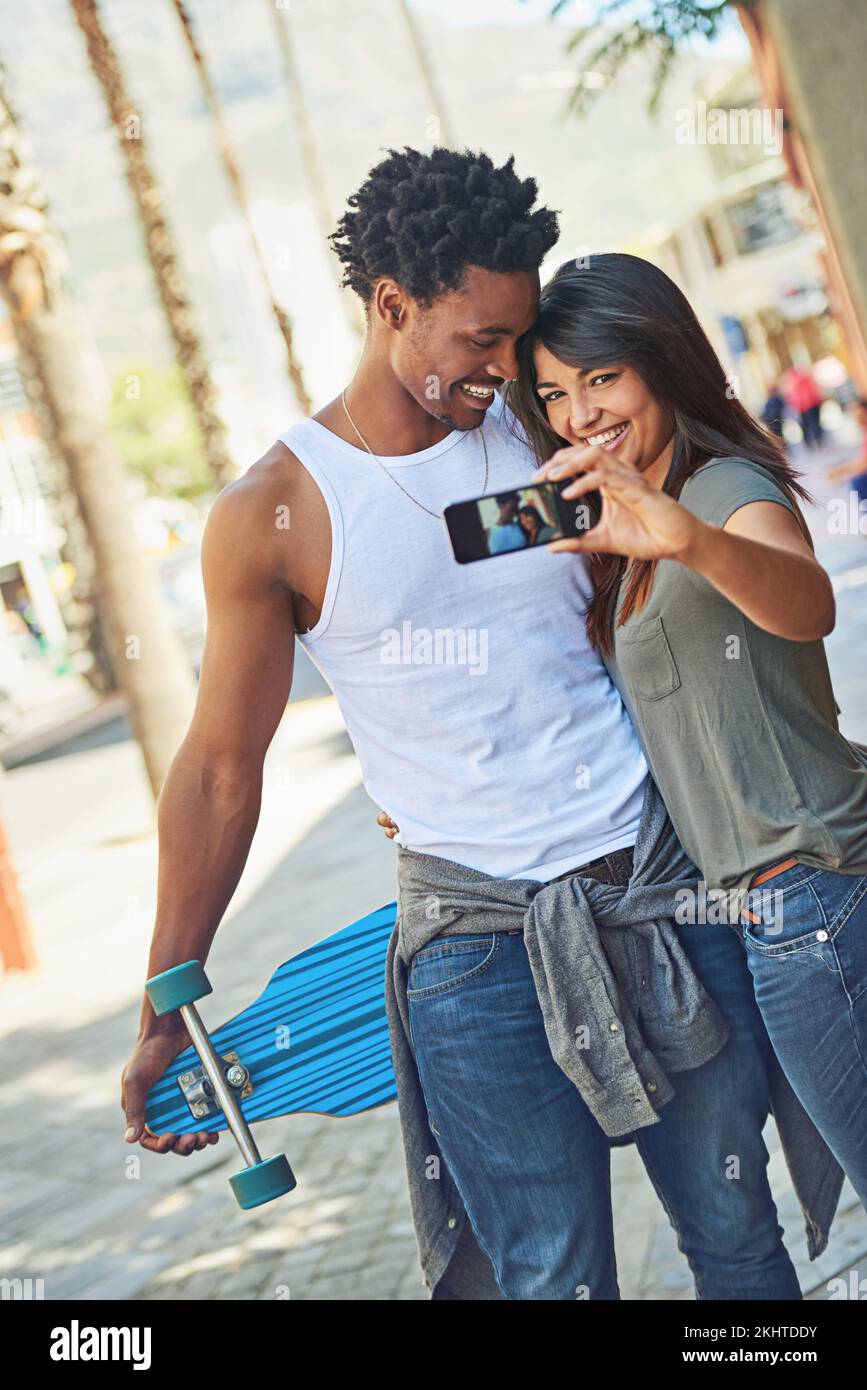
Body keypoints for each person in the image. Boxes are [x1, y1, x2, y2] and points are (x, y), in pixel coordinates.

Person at [122, 150, 825, 1303]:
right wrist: (167, 998)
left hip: (657, 885)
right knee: (547, 1277)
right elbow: (216, 769)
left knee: (740, 1242)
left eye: (521, 338)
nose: (510, 369)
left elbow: (677, 593)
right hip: (472, 939)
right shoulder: (274, 515)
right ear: (392, 306)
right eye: (480, 340)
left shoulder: (554, 426)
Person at [514, 252, 867, 1213]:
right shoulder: (624, 528)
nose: (580, 415)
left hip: (817, 890)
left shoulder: (722, 493)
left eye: (600, 378)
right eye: (551, 394)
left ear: (659, 360)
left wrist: (688, 540)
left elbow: (807, 605)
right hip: (768, 910)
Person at [784, 364, 825, 449]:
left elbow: (793, 396)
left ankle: (810, 442)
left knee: (807, 425)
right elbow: (814, 389)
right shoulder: (806, 378)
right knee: (815, 422)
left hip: (803, 406)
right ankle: (819, 439)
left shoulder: (793, 382)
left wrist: (794, 406)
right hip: (813, 403)